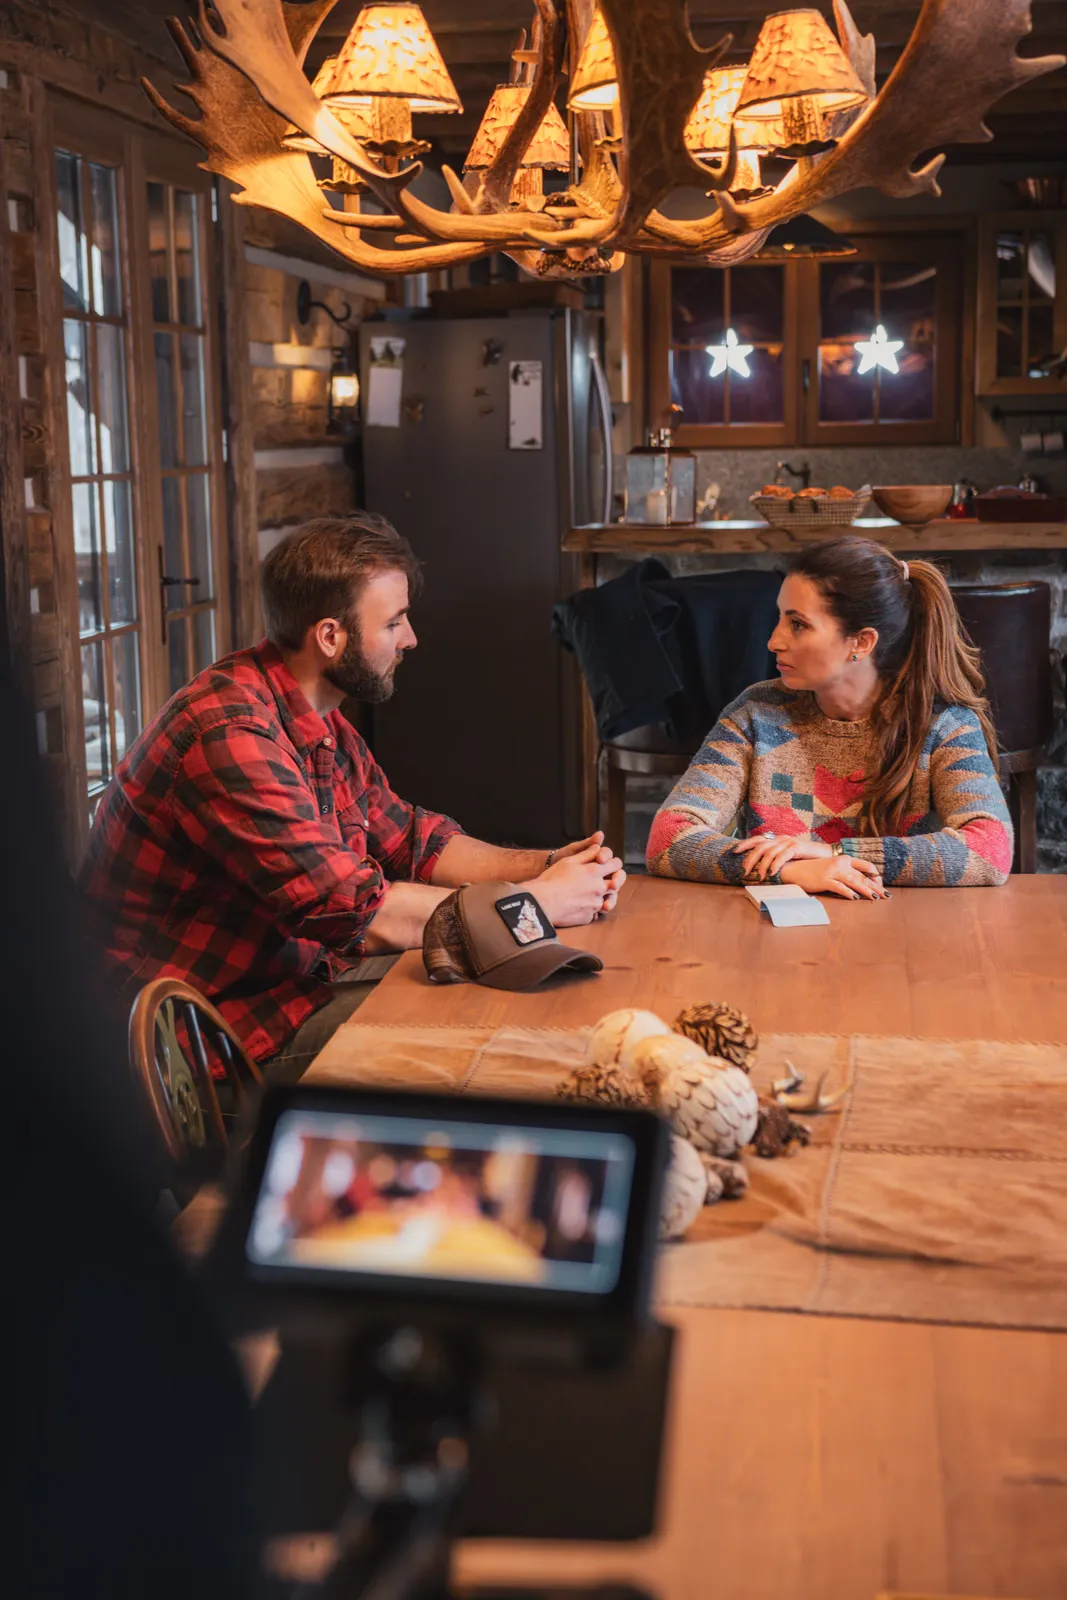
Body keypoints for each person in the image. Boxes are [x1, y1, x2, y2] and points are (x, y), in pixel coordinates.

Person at [82, 515, 625, 1076]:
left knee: (508, 984)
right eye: (394, 622)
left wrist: (550, 863)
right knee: (491, 1042)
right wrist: (536, 905)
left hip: (286, 986)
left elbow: (415, 842)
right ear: (330, 636)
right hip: (196, 1046)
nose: (411, 639)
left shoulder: (314, 718)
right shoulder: (229, 736)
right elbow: (360, 911)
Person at [646, 535, 1013, 896]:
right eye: (779, 618)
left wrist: (837, 854)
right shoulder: (756, 714)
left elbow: (990, 848)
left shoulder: (943, 725)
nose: (774, 640)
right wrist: (787, 871)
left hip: (904, 941)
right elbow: (668, 837)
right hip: (774, 945)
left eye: (798, 624)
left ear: (861, 642)